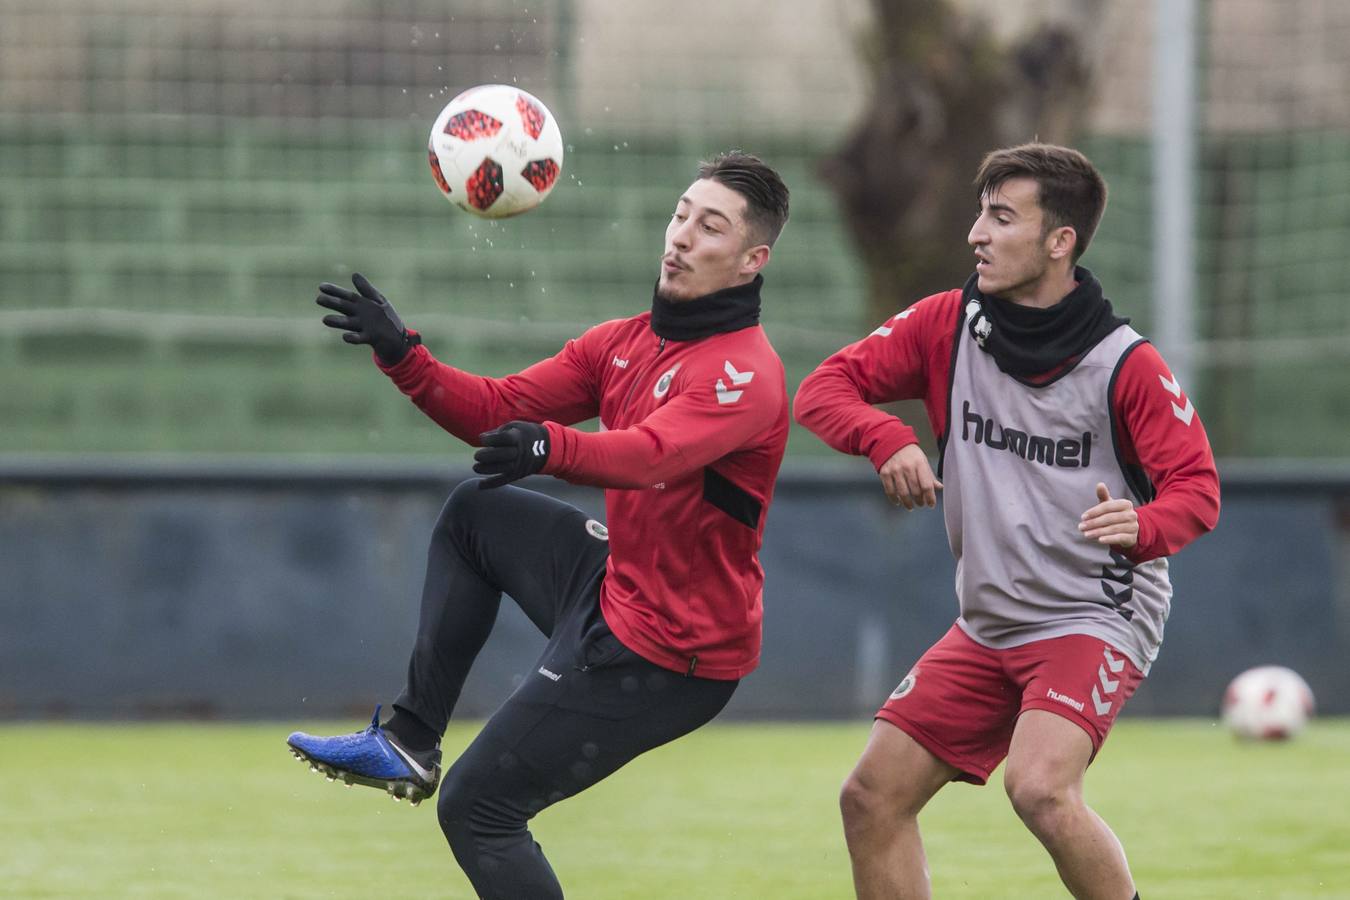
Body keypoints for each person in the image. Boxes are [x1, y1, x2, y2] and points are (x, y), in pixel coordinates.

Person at [285, 151, 790, 899]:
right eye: (680, 213)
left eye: (709, 226)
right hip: (620, 591)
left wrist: (553, 445)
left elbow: (652, 455)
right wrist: (404, 356)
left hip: (669, 657)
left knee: (478, 812)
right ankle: (410, 737)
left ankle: (433, 763)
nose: (680, 236)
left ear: (752, 260)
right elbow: (497, 410)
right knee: (476, 514)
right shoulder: (622, 342)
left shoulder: (744, 374)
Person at [794, 143, 1220, 900]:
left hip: (1093, 615)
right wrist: (885, 437)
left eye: (1001, 217)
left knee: (1041, 790)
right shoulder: (945, 324)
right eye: (979, 214)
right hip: (990, 621)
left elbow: (1197, 490)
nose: (975, 235)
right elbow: (825, 388)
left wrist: (1144, 526)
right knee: (869, 797)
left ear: (1060, 242)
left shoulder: (1127, 364)